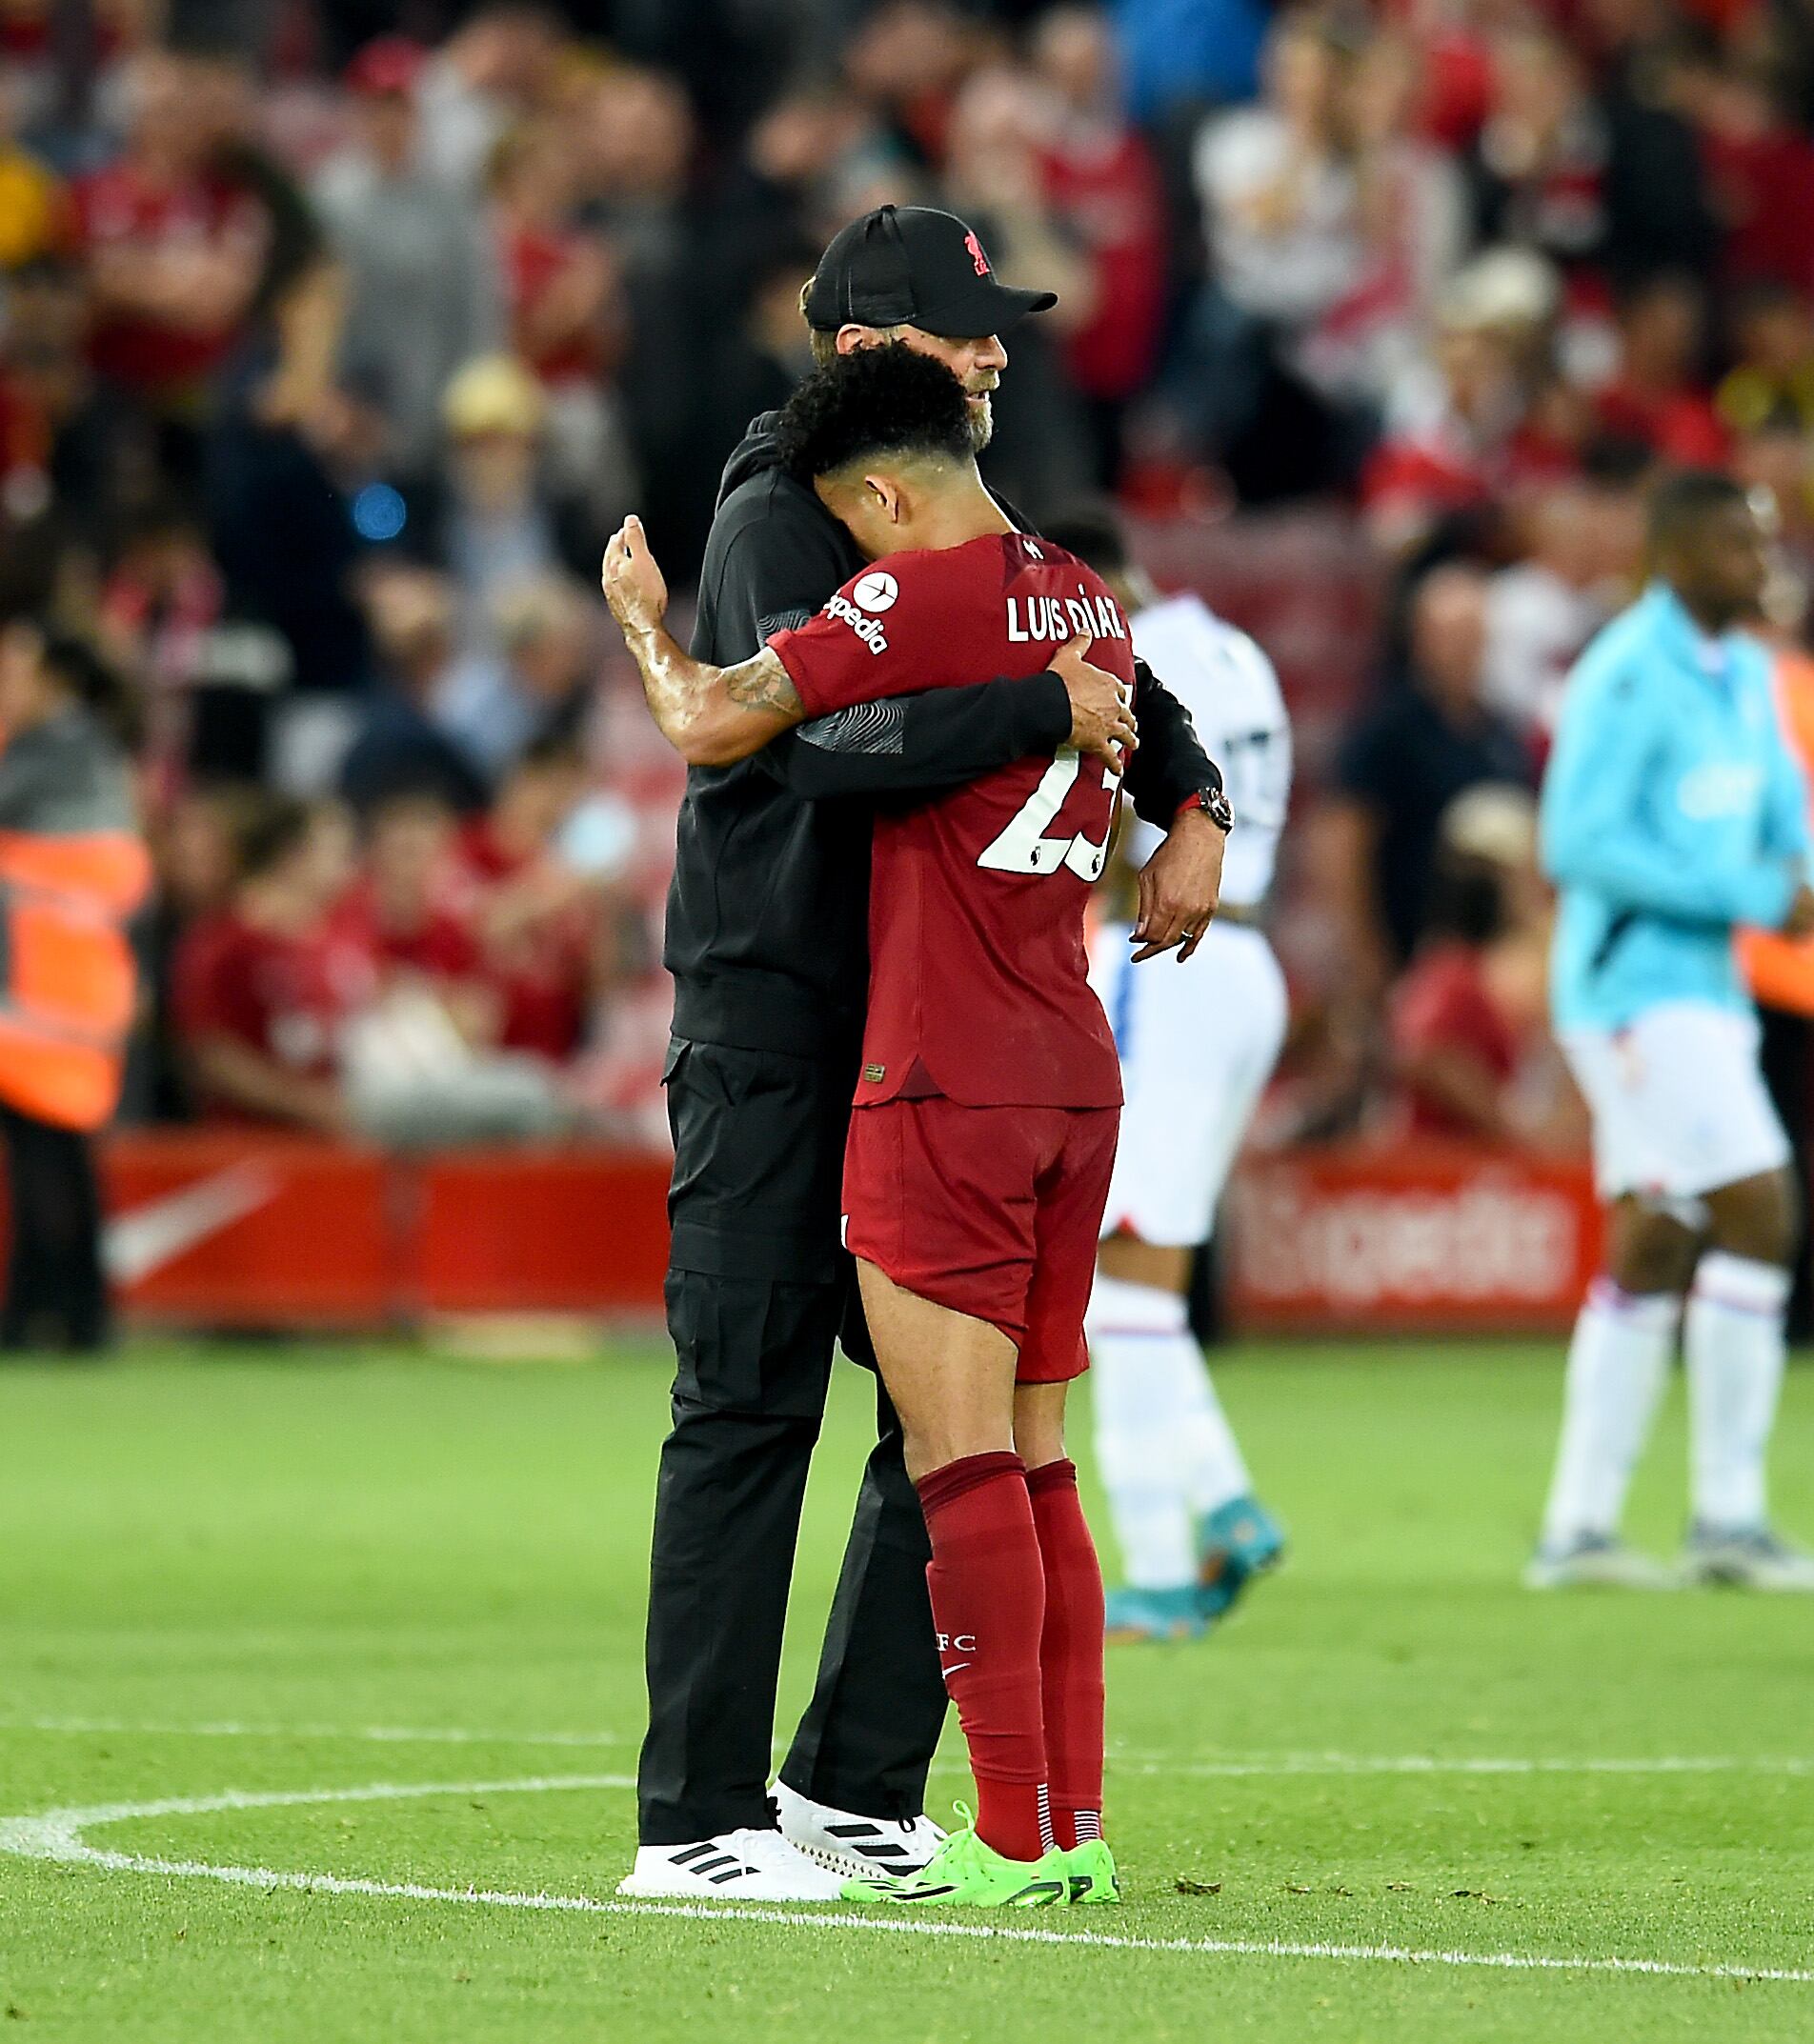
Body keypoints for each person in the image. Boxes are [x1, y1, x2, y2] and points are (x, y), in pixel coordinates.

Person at [617, 206, 1228, 1903]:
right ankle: (695, 1822)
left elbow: (1100, 654)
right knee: (746, 1405)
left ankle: (851, 1784)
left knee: (928, 1412)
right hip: (772, 1015)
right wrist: (1039, 714)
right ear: (867, 352)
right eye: (967, 330)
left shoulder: (945, 511)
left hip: (916, 1031)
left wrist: (1192, 798)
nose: (996, 353)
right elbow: (821, 746)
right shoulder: (776, 509)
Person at [1530, 471, 1814, 1592]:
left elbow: (1784, 813)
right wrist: (1741, 889)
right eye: (1743, 545)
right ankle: (1728, 1519)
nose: (1763, 562)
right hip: (1631, 989)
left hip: (1704, 993)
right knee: (1758, 1201)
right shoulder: (1623, 674)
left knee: (1655, 1236)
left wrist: (1791, 874)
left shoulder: (1744, 674)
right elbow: (1575, 843)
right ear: (1681, 555)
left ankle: (1577, 1530)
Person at [1039, 507, 1291, 1645]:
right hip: (1247, 956)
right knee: (1147, 1262)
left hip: (1166, 955)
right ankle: (1223, 1498)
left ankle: (1150, 1561)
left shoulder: (1131, 656)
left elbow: (1100, 819)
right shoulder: (1235, 648)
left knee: (1120, 1272)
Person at [0, 622, 148, 1353]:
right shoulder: (83, 752)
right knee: (49, 1156)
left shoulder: (59, 752)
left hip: (49, 1000)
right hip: (54, 993)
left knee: (48, 1156)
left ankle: (61, 1311)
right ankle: (57, 1305)